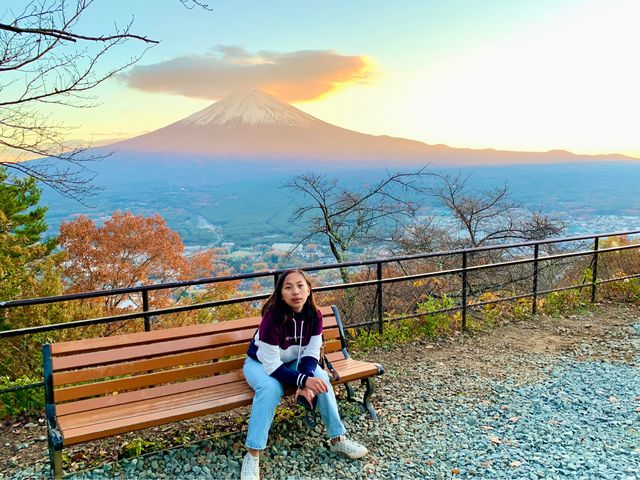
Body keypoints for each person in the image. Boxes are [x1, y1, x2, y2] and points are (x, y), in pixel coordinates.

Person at [241, 269, 368, 480]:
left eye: (300, 286)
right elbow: (272, 366)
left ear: (309, 289)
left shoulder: (314, 315)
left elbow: (311, 353)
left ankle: (338, 439)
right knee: (271, 389)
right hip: (259, 363)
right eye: (288, 287)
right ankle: (252, 454)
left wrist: (306, 380)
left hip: (293, 361)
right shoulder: (272, 319)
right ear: (280, 293)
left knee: (322, 379)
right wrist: (303, 380)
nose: (295, 292)